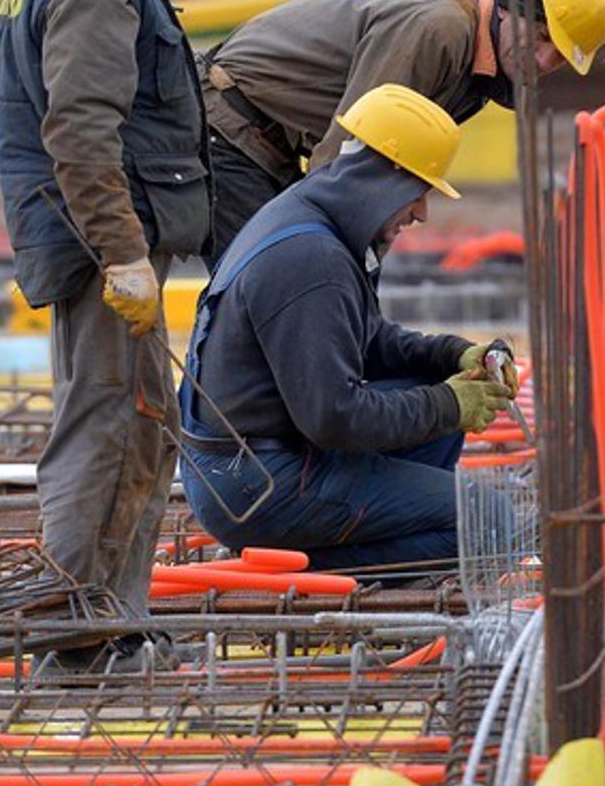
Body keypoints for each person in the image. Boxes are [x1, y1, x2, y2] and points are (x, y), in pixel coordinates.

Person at [0, 0, 209, 668]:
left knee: (136, 426)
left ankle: (106, 628)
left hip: (84, 234)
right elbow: (78, 130)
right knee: (109, 432)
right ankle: (76, 645)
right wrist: (122, 255)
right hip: (97, 245)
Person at [179, 84, 515, 570]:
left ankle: (373, 523)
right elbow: (333, 417)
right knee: (490, 520)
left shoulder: (313, 220)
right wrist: (446, 403)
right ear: (387, 178)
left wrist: (451, 357)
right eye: (419, 192)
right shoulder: (311, 260)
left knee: (436, 410)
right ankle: (306, 562)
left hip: (252, 463)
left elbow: (369, 340)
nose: (421, 213)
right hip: (256, 484)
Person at [198, 0, 605, 263]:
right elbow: (347, 152)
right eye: (540, 37)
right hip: (231, 124)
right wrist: (345, 262)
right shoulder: (441, 31)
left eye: (558, 55)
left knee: (296, 281)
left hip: (266, 140)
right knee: (275, 285)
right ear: (509, 9)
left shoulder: (477, 64)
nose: (542, 62)